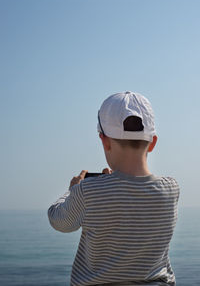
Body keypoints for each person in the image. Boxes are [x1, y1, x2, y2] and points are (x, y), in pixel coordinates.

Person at [48, 91, 179, 286]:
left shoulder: (87, 191)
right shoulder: (171, 189)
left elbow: (60, 222)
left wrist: (72, 191)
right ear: (152, 143)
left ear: (104, 141)